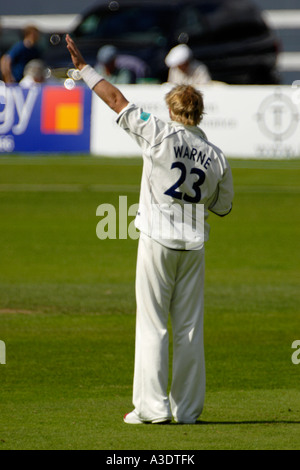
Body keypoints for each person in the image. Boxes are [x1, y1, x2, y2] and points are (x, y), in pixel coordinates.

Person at [66, 34, 233, 424]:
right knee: (189, 329)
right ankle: (187, 411)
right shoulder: (217, 157)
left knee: (153, 324)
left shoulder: (158, 132)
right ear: (200, 114)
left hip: (158, 239)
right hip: (194, 247)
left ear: (173, 110)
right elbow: (223, 207)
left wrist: (83, 69)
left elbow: (115, 101)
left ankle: (151, 409)